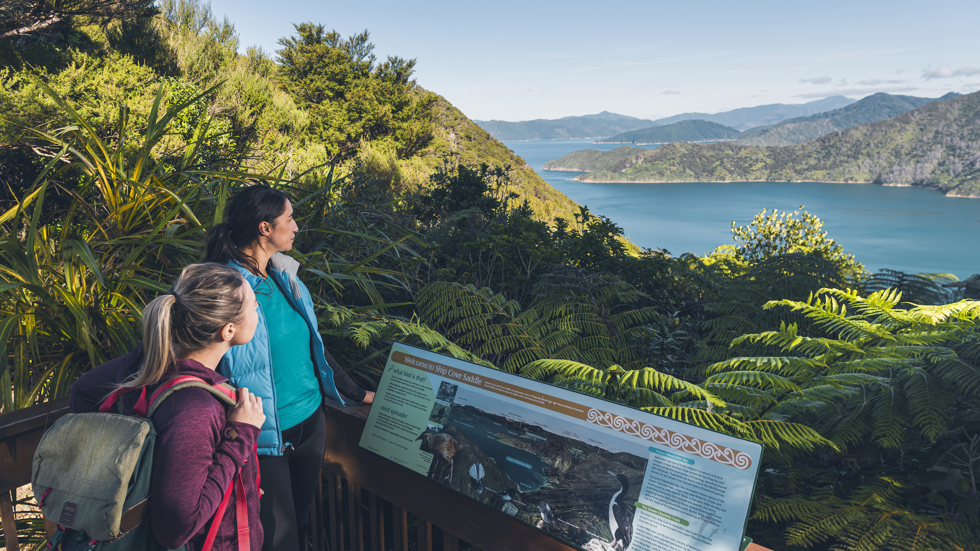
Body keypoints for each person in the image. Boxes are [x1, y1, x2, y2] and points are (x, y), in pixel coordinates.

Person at [204, 184, 375, 551]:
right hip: (264, 438)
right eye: (290, 218)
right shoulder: (223, 289)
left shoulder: (284, 277)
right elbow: (199, 361)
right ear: (265, 228)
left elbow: (312, 347)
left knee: (299, 521)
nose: (296, 227)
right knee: (277, 538)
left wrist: (359, 394)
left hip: (311, 422)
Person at [69, 263, 265, 551]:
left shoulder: (156, 368)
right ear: (229, 330)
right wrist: (240, 437)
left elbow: (81, 393)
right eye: (254, 304)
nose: (258, 309)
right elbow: (174, 530)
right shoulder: (195, 410)